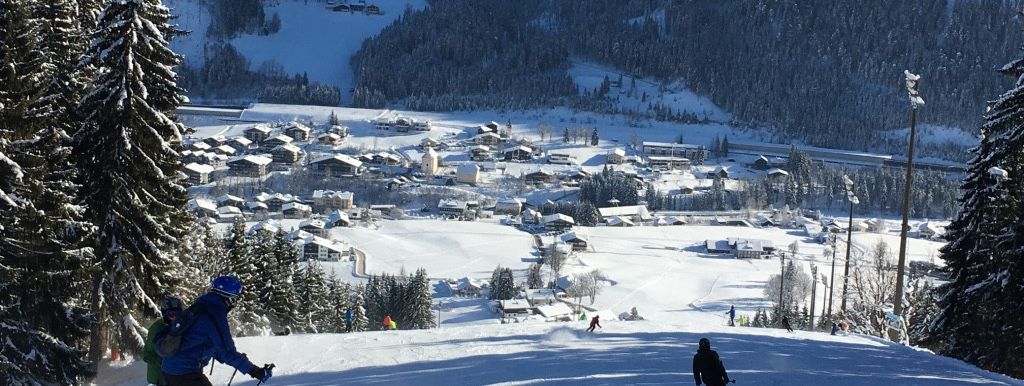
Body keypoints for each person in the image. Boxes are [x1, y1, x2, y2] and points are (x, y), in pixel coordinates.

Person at [162, 276, 272, 386]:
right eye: (235, 299)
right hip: (184, 372)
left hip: (172, 369)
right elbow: (227, 352)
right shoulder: (214, 314)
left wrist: (238, 361)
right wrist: (255, 371)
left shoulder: (201, 306)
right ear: (229, 298)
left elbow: (203, 342)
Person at [143, 297, 183, 386]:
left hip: (177, 372)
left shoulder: (181, 326)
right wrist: (162, 360)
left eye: (178, 313)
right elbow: (146, 354)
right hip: (160, 376)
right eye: (171, 314)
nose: (175, 317)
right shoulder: (157, 329)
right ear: (165, 314)